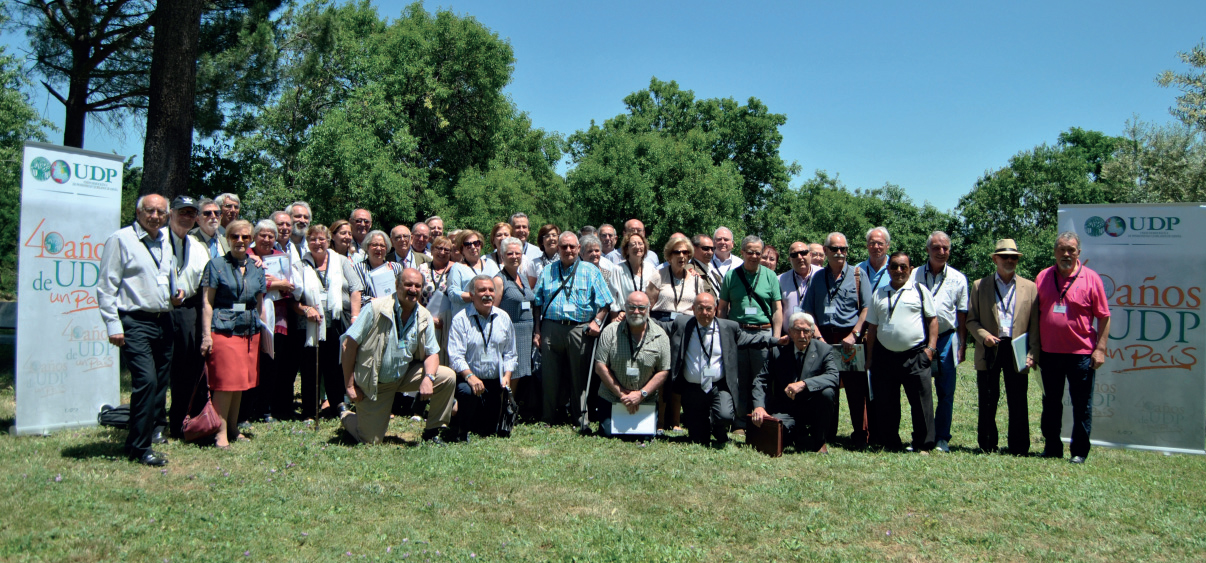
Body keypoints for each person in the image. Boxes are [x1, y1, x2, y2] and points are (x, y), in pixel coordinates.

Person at [97, 194, 182, 465]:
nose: (155, 216)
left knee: (158, 384)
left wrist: (175, 292)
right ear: (138, 211)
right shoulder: (120, 239)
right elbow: (106, 286)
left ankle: (142, 436)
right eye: (149, 211)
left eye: (160, 212)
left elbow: (167, 275)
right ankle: (139, 448)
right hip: (134, 321)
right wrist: (113, 324)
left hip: (163, 320)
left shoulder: (165, 240)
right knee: (146, 381)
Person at [339, 269, 457, 444]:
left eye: (418, 286)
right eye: (408, 284)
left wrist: (429, 378)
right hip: (376, 381)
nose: (413, 289)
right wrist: (349, 385)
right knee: (370, 440)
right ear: (396, 285)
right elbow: (348, 345)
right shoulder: (375, 308)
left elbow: (432, 352)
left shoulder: (423, 315)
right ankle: (346, 414)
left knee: (446, 376)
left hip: (404, 374)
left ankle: (433, 431)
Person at [1035, 232, 1111, 464]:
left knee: (1081, 405)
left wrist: (1100, 349)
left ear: (1079, 253)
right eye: (1062, 249)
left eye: (1071, 250)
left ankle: (1079, 451)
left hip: (1081, 355)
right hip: (1049, 353)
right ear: (1055, 251)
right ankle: (1052, 446)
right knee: (1050, 403)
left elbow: (1104, 317)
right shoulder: (1043, 277)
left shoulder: (1091, 278)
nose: (1066, 254)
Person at [668, 293, 778, 446]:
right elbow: (660, 327)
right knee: (698, 439)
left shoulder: (729, 327)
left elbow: (751, 339)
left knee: (725, 415)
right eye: (700, 308)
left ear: (716, 309)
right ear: (693, 309)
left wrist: (776, 341)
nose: (704, 313)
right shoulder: (682, 324)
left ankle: (719, 429)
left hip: (718, 386)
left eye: (708, 309)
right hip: (692, 389)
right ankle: (704, 428)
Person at [532, 231, 613, 431]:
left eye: (571, 247)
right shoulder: (548, 270)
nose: (568, 250)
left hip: (580, 329)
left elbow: (606, 302)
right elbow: (537, 302)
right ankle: (548, 416)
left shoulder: (590, 271)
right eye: (563, 247)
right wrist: (537, 330)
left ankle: (580, 419)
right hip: (551, 327)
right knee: (550, 376)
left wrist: (596, 322)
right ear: (557, 249)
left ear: (578, 249)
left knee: (580, 377)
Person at [966, 239, 1039, 455]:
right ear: (995, 259)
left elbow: (1035, 325)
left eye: (1014, 257)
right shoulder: (980, 285)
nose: (1010, 260)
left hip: (1017, 348)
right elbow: (971, 320)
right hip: (990, 346)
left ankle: (1018, 446)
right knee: (988, 398)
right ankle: (987, 444)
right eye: (1005, 256)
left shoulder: (1030, 287)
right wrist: (984, 336)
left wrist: (1032, 352)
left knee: (1018, 399)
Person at [199, 220, 267, 448]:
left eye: (245, 237)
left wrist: (261, 331)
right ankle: (219, 433)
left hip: (249, 331)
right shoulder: (216, 265)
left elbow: (259, 302)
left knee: (240, 384)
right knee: (225, 384)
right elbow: (207, 303)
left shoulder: (257, 267)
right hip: (223, 330)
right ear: (227, 238)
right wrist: (206, 335)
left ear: (251, 240)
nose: (240, 241)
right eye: (235, 236)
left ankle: (233, 427)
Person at [802, 232, 872, 447]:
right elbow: (808, 310)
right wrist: (818, 336)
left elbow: (868, 309)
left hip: (850, 339)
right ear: (825, 251)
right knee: (828, 386)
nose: (840, 253)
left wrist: (854, 334)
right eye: (835, 249)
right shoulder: (818, 277)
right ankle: (827, 433)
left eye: (844, 249)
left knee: (855, 389)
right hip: (824, 337)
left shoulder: (859, 275)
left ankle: (861, 435)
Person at [865, 252, 938, 453]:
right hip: (884, 356)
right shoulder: (879, 293)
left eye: (903, 267)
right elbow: (872, 328)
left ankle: (923, 444)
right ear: (888, 269)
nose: (899, 271)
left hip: (915, 355)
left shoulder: (920, 291)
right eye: (895, 266)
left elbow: (932, 321)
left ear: (910, 269)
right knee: (886, 402)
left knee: (921, 403)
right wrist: (870, 358)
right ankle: (891, 443)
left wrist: (930, 350)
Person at [293, 224, 362, 419]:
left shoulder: (341, 261)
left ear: (328, 240)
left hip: (337, 322)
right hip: (309, 325)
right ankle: (309, 410)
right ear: (307, 242)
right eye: (313, 239)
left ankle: (337, 404)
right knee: (310, 368)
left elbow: (356, 288)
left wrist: (355, 316)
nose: (317, 243)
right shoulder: (300, 266)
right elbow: (293, 300)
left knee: (336, 366)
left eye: (321, 239)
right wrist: (305, 309)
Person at [718, 235, 783, 429]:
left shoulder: (770, 276)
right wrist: (724, 336)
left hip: (763, 332)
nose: (754, 256)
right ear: (742, 252)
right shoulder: (731, 276)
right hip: (738, 333)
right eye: (750, 252)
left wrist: (776, 338)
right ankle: (739, 423)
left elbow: (777, 309)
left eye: (758, 252)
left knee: (761, 378)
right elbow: (722, 308)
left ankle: (761, 421)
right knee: (739, 379)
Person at [912, 231, 969, 453]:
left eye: (945, 248)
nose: (941, 252)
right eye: (936, 247)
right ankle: (922, 436)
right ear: (927, 250)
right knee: (919, 390)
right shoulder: (914, 275)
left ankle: (942, 437)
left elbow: (962, 315)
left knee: (946, 391)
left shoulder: (958, 278)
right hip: (919, 339)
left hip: (946, 339)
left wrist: (962, 344)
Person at [751, 312, 840, 453]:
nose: (802, 336)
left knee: (827, 393)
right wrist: (759, 407)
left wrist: (804, 384)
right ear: (790, 332)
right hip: (785, 408)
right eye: (798, 331)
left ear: (812, 332)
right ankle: (798, 434)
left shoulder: (824, 350)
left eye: (806, 331)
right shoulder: (777, 350)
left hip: (812, 406)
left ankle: (819, 440)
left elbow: (833, 376)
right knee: (775, 439)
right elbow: (761, 380)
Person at [448, 275, 518, 441]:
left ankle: (470, 415)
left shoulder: (503, 318)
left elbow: (510, 353)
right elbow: (456, 356)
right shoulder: (460, 319)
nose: (487, 294)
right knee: (466, 393)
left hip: (494, 382)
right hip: (468, 379)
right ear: (472, 295)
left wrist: (507, 376)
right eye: (482, 290)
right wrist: (470, 377)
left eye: (491, 290)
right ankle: (461, 428)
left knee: (488, 430)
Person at [594, 292, 671, 437]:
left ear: (648, 309)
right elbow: (600, 366)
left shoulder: (661, 336)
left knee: (645, 437)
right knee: (608, 433)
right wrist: (622, 394)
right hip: (612, 397)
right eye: (632, 307)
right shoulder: (610, 331)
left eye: (641, 308)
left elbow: (663, 371)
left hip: (645, 400)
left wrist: (640, 394)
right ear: (624, 307)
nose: (636, 312)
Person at [165, 196, 211, 440]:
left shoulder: (197, 246)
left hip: (188, 311)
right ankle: (153, 423)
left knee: (187, 369)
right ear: (170, 213)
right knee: (160, 370)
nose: (186, 216)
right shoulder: (157, 241)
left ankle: (180, 421)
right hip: (160, 309)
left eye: (191, 213)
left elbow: (205, 283)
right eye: (181, 211)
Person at [247, 219, 295, 423]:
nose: (267, 239)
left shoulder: (281, 258)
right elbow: (251, 283)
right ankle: (248, 408)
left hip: (279, 319)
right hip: (253, 319)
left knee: (272, 365)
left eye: (271, 236)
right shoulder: (248, 256)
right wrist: (277, 283)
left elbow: (290, 285)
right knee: (252, 365)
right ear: (254, 237)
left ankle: (266, 409)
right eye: (262, 235)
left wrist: (282, 285)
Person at [495, 237, 537, 419]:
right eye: (509, 253)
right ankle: (500, 411)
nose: (514, 256)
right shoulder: (499, 279)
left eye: (517, 253)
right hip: (510, 332)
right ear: (502, 256)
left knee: (519, 374)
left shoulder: (523, 277)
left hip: (526, 333)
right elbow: (494, 310)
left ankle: (511, 408)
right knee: (509, 373)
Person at [647, 235, 710, 329]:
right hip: (661, 323)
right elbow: (647, 306)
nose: (681, 256)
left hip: (687, 325)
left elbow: (701, 307)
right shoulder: (658, 276)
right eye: (677, 252)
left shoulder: (697, 280)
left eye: (685, 252)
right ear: (670, 256)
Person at [447, 230, 502, 319]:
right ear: (462, 249)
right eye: (468, 245)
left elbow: (499, 288)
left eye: (476, 243)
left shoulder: (491, 264)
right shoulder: (457, 268)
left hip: (489, 316)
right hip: (466, 318)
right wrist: (475, 296)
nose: (473, 247)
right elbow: (453, 294)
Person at [419, 235, 456, 365]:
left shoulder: (455, 269)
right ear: (432, 249)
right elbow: (416, 297)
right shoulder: (422, 269)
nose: (442, 252)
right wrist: (428, 318)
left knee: (447, 358)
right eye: (439, 248)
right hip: (426, 320)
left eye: (447, 250)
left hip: (448, 322)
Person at [353, 230, 402, 306]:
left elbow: (402, 290)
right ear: (367, 247)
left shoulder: (396, 267)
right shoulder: (359, 268)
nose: (378, 249)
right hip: (371, 310)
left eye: (382, 245)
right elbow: (357, 296)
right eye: (374, 245)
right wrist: (378, 302)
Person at [779, 241, 823, 320]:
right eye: (794, 255)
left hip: (817, 331)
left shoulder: (823, 275)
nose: (799, 257)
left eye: (803, 253)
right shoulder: (780, 280)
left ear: (810, 255)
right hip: (790, 331)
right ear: (789, 259)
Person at [612, 232, 653, 314]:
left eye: (640, 244)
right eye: (633, 244)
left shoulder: (650, 269)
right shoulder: (618, 269)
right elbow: (613, 297)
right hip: (625, 314)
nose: (637, 247)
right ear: (626, 249)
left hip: (646, 314)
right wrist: (615, 314)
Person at [524, 224, 560, 288]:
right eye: (547, 236)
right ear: (542, 241)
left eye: (554, 235)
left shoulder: (564, 261)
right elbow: (532, 288)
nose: (551, 238)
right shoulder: (535, 263)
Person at [857, 226, 891, 293]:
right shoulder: (858, 269)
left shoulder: (895, 269)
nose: (876, 247)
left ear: (888, 245)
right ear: (867, 245)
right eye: (872, 243)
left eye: (880, 243)